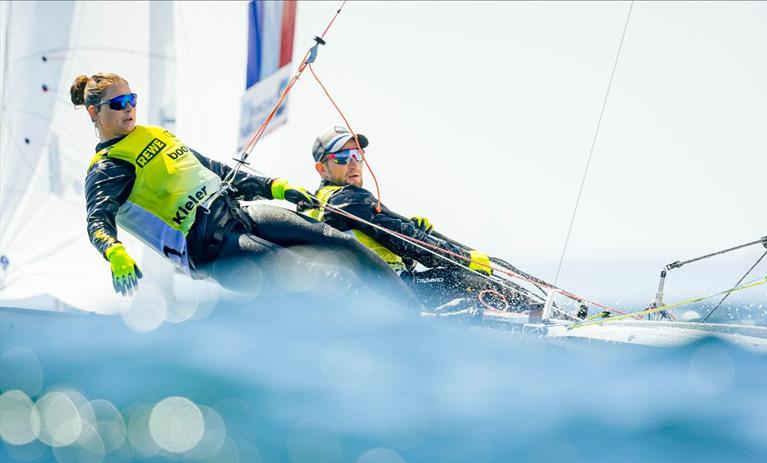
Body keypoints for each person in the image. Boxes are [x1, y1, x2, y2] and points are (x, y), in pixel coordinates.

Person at [72, 73, 417, 304]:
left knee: (341, 242)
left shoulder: (155, 134)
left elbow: (218, 171)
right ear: (93, 113)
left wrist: (277, 188)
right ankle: (382, 335)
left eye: (131, 98)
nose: (129, 107)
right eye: (118, 104)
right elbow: (97, 221)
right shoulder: (108, 167)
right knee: (318, 276)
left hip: (238, 212)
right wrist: (115, 253)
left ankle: (411, 312)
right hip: (211, 244)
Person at [301, 126, 540, 311]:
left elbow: (391, 242)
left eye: (358, 154)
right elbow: (409, 241)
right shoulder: (349, 198)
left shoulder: (315, 202)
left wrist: (409, 243)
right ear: (322, 169)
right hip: (386, 292)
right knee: (470, 280)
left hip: (367, 291)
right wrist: (465, 259)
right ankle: (546, 318)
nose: (353, 163)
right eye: (342, 158)